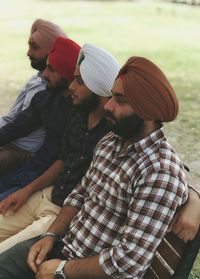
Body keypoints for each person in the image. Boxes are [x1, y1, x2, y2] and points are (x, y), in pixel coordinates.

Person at [0, 56, 195, 279]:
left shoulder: (159, 173)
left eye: (120, 100)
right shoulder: (111, 141)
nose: (109, 105)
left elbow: (129, 260)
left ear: (148, 110)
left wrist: (63, 270)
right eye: (112, 96)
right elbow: (80, 194)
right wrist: (51, 234)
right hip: (63, 248)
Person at [0, 43, 120, 253]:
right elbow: (63, 159)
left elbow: (161, 157)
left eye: (79, 81)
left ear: (99, 88)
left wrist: (195, 201)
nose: (72, 87)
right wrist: (27, 190)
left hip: (62, 216)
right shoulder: (79, 114)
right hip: (45, 195)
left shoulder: (116, 131)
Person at [0, 37, 80, 201]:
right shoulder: (45, 99)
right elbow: (16, 128)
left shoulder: (81, 112)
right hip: (27, 170)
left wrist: (29, 189)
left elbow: (65, 161)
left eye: (51, 69)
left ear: (66, 72)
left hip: (44, 182)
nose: (43, 74)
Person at [0, 19, 67, 174]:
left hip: (23, 151)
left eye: (35, 48)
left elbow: (18, 127)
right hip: (9, 139)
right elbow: (12, 119)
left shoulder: (51, 90)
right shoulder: (36, 79)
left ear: (52, 51)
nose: (28, 53)